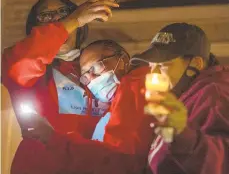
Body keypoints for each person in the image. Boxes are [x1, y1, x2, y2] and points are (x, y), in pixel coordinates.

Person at [11, 39, 156, 174]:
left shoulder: (135, 88)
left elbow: (121, 161)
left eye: (95, 68)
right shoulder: (118, 100)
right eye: (85, 76)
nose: (91, 79)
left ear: (123, 59)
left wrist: (55, 140)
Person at [131, 22, 229, 174]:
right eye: (151, 66)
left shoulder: (214, 96)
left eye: (163, 65)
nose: (153, 74)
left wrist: (182, 133)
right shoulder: (185, 94)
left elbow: (221, 161)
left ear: (196, 64)